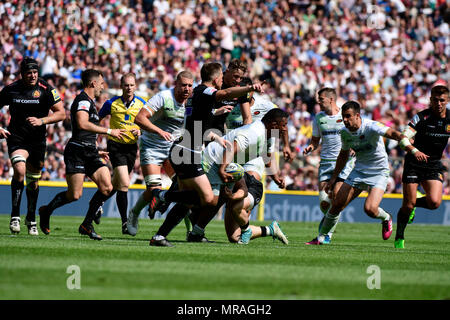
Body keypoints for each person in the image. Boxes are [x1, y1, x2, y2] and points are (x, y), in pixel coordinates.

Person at [145, 62, 266, 245]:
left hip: (188, 149)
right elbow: (223, 94)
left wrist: (216, 137)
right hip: (187, 151)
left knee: (191, 200)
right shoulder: (204, 91)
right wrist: (249, 87)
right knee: (208, 198)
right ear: (218, 78)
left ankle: (159, 236)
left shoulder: (198, 97)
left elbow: (198, 123)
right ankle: (162, 196)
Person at [150, 108, 288, 246]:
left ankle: (190, 230)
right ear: (274, 124)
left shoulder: (268, 136)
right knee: (203, 200)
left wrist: (275, 177)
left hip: (227, 165)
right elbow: (232, 148)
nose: (285, 129)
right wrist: (222, 169)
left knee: (210, 200)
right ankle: (163, 200)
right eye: (283, 125)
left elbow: (266, 157)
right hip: (213, 161)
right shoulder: (255, 132)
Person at [306, 100, 426, 245]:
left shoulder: (371, 126)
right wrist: (333, 178)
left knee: (370, 209)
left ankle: (386, 217)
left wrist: (404, 140)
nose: (345, 120)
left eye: (348, 116)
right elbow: (343, 155)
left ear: (357, 115)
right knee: (337, 203)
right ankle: (322, 237)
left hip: (379, 172)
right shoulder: (344, 133)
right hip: (358, 171)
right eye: (343, 117)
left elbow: (392, 133)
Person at [38, 69, 125, 240]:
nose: (102, 86)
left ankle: (86, 224)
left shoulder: (91, 102)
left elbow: (85, 131)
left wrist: (97, 149)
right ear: (93, 83)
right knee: (74, 195)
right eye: (101, 82)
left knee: (107, 187)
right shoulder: (82, 101)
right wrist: (109, 131)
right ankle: (46, 210)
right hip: (76, 152)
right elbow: (82, 123)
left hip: (90, 151)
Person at [0, 57, 65, 235]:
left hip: (37, 141)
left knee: (33, 181)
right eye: (29, 72)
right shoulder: (11, 89)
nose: (33, 75)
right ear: (22, 74)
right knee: (19, 171)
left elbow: (61, 113)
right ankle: (14, 216)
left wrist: (42, 120)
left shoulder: (46, 89)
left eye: (35, 72)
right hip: (17, 138)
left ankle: (31, 217)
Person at [125, 70, 194, 236]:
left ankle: (191, 230)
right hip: (152, 146)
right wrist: (159, 132)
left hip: (174, 150)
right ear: (176, 84)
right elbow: (139, 118)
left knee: (185, 188)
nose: (187, 88)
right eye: (183, 85)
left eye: (190, 85)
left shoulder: (192, 102)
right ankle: (133, 214)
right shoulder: (163, 97)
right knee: (153, 189)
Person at [394, 84, 449, 248]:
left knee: (434, 203)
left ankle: (414, 201)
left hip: (433, 164)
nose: (438, 103)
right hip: (414, 162)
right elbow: (403, 139)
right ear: (430, 100)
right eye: (435, 100)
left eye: (442, 100)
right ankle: (399, 238)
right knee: (408, 205)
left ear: (447, 101)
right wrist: (414, 150)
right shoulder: (421, 118)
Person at [94, 73, 146, 234]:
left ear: (135, 86)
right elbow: (95, 120)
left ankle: (96, 204)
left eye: (131, 85)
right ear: (121, 86)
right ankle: (125, 223)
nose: (129, 88)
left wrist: (140, 130)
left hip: (131, 148)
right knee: (124, 182)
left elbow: (149, 124)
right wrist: (95, 139)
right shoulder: (111, 103)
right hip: (115, 145)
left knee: (117, 185)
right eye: (126, 85)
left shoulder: (142, 104)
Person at [302, 87, 354, 244]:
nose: (318, 101)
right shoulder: (318, 117)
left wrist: (353, 147)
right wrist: (311, 147)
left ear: (331, 99)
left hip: (344, 162)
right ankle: (327, 227)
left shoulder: (344, 116)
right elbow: (315, 141)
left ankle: (325, 236)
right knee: (324, 202)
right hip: (325, 162)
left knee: (337, 197)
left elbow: (355, 132)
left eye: (321, 99)